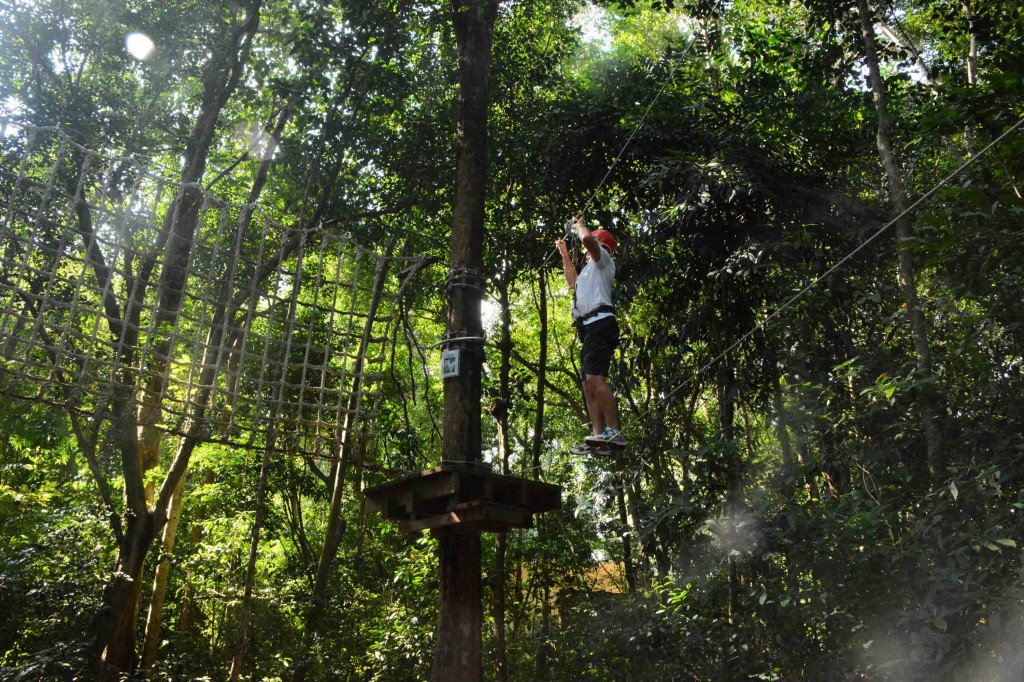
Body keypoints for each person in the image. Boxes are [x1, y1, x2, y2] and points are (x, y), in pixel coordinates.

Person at [555, 214, 627, 455]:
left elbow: (587, 242)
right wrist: (565, 255)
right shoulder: (588, 272)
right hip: (588, 328)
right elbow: (571, 283)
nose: (585, 253)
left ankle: (615, 432)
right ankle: (598, 435)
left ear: (600, 246)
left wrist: (578, 226)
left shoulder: (603, 261)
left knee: (596, 380)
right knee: (588, 384)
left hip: (600, 323)